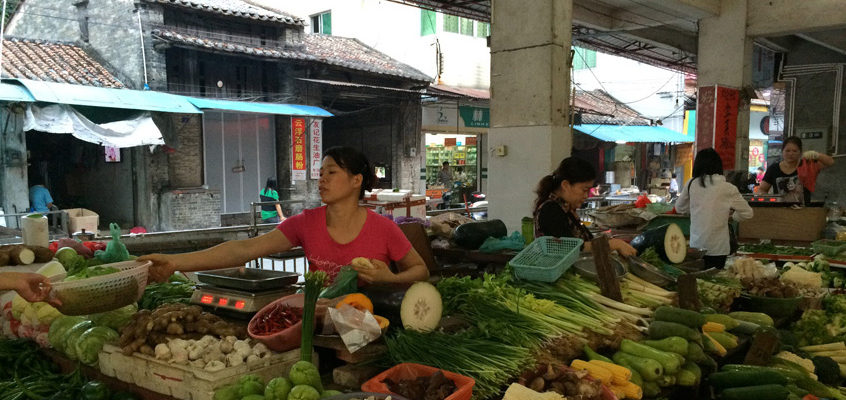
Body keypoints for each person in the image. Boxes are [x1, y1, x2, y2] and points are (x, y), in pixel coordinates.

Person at [140, 147, 429, 285]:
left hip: (371, 324)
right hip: (315, 325)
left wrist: (387, 277)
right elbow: (245, 249)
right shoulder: (306, 222)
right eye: (320, 174)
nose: (322, 181)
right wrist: (176, 261)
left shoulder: (382, 228)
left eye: (331, 173)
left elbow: (421, 271)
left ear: (356, 181)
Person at [533, 157, 637, 257]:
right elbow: (566, 248)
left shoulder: (567, 209)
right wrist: (613, 244)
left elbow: (584, 241)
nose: (586, 196)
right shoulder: (550, 210)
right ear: (565, 185)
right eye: (584, 190)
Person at [675, 148, 753, 269]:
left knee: (698, 280)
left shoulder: (691, 184)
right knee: (716, 281)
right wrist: (732, 217)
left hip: (696, 246)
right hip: (719, 248)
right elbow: (748, 213)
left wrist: (696, 210)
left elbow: (679, 208)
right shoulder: (728, 188)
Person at [758, 137, 834, 203]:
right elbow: (762, 189)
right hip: (779, 211)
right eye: (787, 151)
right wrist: (769, 200)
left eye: (794, 151)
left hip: (804, 211)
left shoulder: (807, 165)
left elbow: (830, 162)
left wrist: (817, 155)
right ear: (782, 151)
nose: (791, 154)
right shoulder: (773, 169)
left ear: (800, 152)